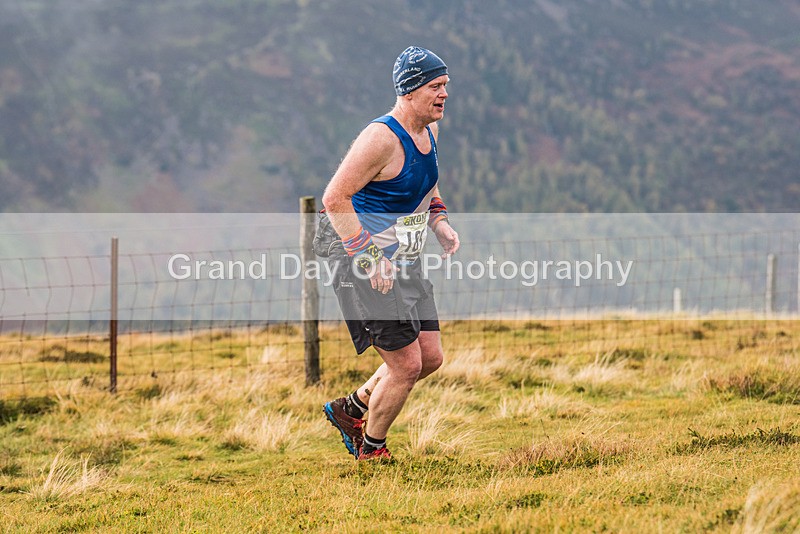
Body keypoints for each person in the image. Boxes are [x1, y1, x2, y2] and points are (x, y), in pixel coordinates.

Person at [321, 46, 459, 460]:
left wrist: (439, 221)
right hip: (357, 252)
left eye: (446, 86)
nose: (444, 95)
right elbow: (334, 198)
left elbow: (427, 182)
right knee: (406, 366)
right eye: (435, 87)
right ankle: (372, 450)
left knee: (430, 356)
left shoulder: (430, 130)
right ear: (409, 90)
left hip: (401, 250)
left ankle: (354, 408)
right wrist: (367, 257)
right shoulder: (380, 138)